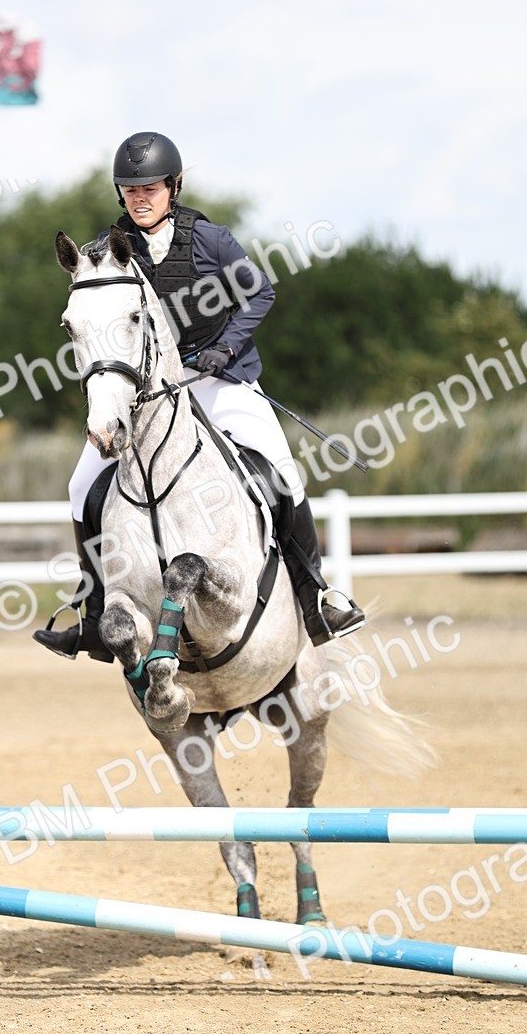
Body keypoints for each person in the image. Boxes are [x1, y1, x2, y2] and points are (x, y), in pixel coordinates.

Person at [34, 131, 364, 662]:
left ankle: (316, 598)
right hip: (150, 393)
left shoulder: (210, 240)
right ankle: (93, 615)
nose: (140, 198)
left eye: (151, 188)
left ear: (173, 187)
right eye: (131, 189)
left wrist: (226, 348)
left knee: (281, 470)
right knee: (80, 486)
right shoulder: (109, 249)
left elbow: (260, 292)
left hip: (219, 379)